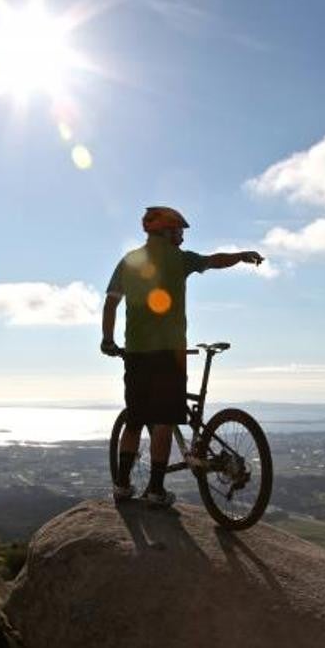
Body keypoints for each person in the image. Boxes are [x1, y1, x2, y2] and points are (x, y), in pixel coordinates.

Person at [101, 206, 264, 507]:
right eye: (179, 231)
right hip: (169, 353)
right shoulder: (179, 259)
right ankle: (155, 491)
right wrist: (242, 255)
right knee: (163, 421)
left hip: (136, 353)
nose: (183, 236)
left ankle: (122, 487)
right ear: (166, 230)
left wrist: (107, 340)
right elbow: (214, 261)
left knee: (135, 420)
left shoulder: (129, 261)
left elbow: (110, 304)